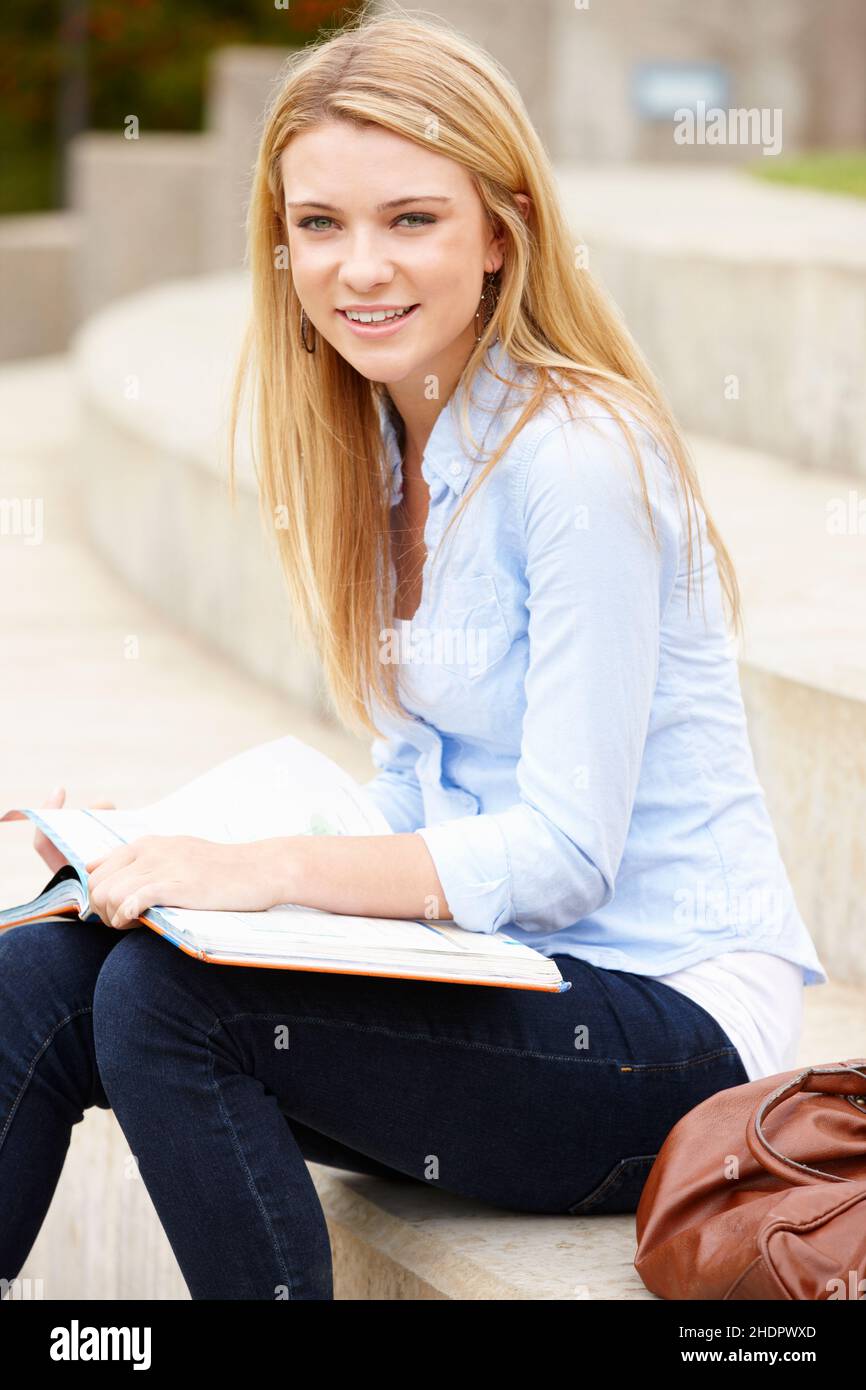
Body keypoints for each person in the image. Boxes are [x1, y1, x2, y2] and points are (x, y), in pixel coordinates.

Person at [0, 9, 826, 1301]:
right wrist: (156, 845)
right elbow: (411, 797)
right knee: (37, 972)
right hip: (510, 981)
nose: (358, 267)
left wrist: (259, 868)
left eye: (410, 219)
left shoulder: (574, 459)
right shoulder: (388, 450)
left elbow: (561, 852)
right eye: (319, 223)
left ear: (501, 230)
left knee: (172, 1003)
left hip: (666, 1031)